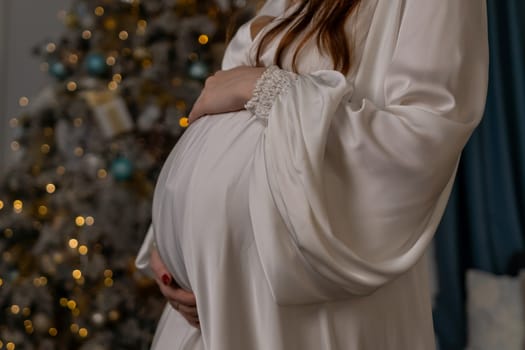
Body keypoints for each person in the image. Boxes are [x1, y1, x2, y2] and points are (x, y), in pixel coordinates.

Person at [136, 0, 489, 348]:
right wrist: (168, 242)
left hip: (304, 293)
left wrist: (264, 86)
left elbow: (421, 140)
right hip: (210, 299)